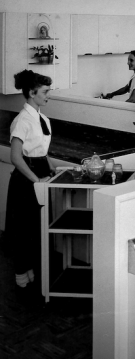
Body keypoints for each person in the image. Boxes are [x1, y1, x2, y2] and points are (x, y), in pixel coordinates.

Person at [5, 70, 56, 290]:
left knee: (37, 228)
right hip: (28, 177)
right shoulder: (22, 121)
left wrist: (53, 170)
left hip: (41, 172)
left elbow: (42, 152)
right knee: (24, 229)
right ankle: (21, 273)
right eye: (45, 92)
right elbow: (16, 157)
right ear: (32, 92)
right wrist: (37, 180)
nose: (48, 95)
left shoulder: (42, 118)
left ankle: (31, 269)